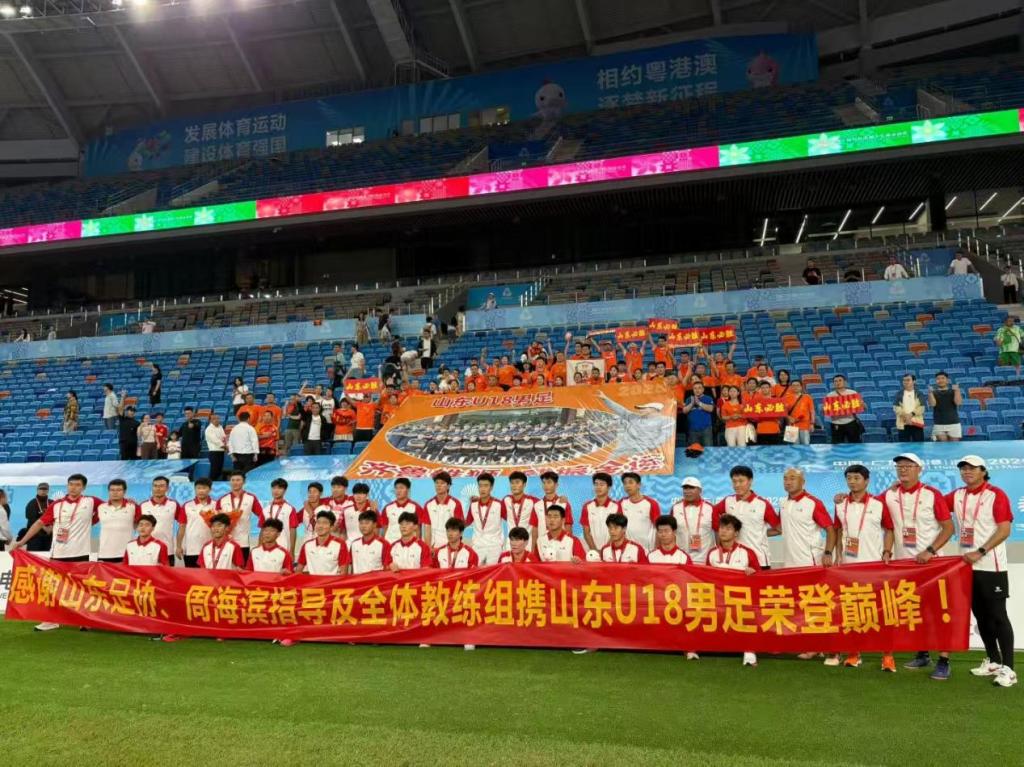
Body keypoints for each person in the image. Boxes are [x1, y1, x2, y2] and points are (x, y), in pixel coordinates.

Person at [881, 452, 955, 679]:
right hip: (904, 565)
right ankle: (923, 654)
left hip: (932, 565)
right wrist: (842, 497)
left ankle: (944, 661)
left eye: (909, 466)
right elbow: (865, 503)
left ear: (919, 469)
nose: (903, 469)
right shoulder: (889, 495)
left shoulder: (932, 494)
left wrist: (930, 551)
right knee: (916, 612)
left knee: (939, 614)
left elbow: (948, 528)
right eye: (900, 466)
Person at [946, 455, 1016, 687]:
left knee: (998, 616)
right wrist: (899, 486)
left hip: (991, 566)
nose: (967, 472)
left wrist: (981, 551)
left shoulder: (995, 494)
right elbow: (932, 504)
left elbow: (1004, 530)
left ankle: (1009, 669)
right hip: (967, 567)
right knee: (981, 616)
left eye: (972, 468)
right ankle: (993, 661)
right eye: (963, 468)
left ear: (983, 471)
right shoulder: (957, 495)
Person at [9, 474, 102, 631]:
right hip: (58, 553)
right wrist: (21, 542)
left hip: (80, 553)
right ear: (67, 485)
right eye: (71, 484)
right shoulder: (56, 504)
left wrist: (91, 522)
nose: (73, 488)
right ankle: (51, 620)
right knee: (54, 588)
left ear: (84, 487)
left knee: (81, 588)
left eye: (77, 485)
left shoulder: (91, 501)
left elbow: (108, 510)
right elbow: (39, 523)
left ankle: (84, 620)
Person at [834, 464, 896, 671]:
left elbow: (889, 529)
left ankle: (887, 655)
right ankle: (854, 653)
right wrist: (837, 555)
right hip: (849, 567)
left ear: (867, 481)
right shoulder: (840, 504)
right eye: (849, 478)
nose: (852, 482)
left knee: (881, 613)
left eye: (857, 478)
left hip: (874, 566)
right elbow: (837, 530)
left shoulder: (878, 504)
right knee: (852, 611)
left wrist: (887, 552)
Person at [707, 514, 762, 666]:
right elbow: (705, 578)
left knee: (748, 616)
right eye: (721, 528)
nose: (723, 531)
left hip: (741, 601)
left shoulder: (747, 552)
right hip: (718, 599)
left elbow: (760, 579)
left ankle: (749, 651)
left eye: (728, 528)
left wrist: (752, 573)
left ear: (736, 533)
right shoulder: (711, 553)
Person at [712, 465, 780, 569]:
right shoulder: (728, 501)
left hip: (759, 559)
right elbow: (712, 512)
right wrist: (721, 532)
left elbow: (779, 529)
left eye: (741, 481)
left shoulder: (762, 504)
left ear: (750, 481)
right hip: (735, 560)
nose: (737, 485)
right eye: (734, 481)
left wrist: (760, 533)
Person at [779, 467, 835, 569]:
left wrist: (828, 553)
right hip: (789, 562)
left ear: (803, 482)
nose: (788, 482)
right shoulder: (782, 502)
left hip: (810, 561)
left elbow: (830, 530)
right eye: (785, 479)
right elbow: (779, 528)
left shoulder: (813, 503)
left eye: (792, 478)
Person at [216, 470, 262, 562]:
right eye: (233, 480)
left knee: (242, 568)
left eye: (238, 480)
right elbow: (216, 521)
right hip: (225, 541)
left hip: (243, 542)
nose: (235, 482)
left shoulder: (251, 498)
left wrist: (262, 537)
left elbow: (262, 516)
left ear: (244, 482)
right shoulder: (222, 499)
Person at [670, 476, 714, 564]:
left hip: (704, 559)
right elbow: (671, 532)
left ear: (700, 490)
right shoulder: (675, 508)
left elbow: (718, 531)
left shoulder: (710, 508)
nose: (687, 491)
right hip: (681, 559)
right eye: (685, 488)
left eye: (691, 488)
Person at [96, 479, 140, 563]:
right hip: (105, 554)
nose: (115, 493)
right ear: (108, 491)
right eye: (112, 490)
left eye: (119, 490)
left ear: (125, 491)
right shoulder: (101, 507)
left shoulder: (133, 506)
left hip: (127, 553)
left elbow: (140, 526)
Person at [140, 475, 181, 566]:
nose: (158, 489)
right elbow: (137, 525)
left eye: (161, 486)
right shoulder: (143, 505)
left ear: (167, 488)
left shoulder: (174, 504)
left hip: (168, 550)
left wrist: (179, 546)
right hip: (147, 550)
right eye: (155, 486)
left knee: (167, 575)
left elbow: (183, 524)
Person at [176, 477, 215, 567]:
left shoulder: (216, 505)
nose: (201, 491)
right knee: (191, 575)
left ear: (210, 490)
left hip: (210, 548)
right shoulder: (187, 506)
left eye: (204, 488)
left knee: (209, 575)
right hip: (191, 549)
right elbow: (182, 527)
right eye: (198, 488)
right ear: (195, 489)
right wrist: (178, 546)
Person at [296, 511, 350, 575]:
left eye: (324, 523)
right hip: (313, 581)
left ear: (331, 527)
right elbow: (298, 571)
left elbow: (343, 572)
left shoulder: (340, 544)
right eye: (318, 522)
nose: (320, 526)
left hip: (332, 581)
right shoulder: (307, 545)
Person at [467, 472, 504, 565]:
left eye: (486, 486)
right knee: (476, 572)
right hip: (477, 546)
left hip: (494, 546)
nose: (482, 489)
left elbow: (511, 519)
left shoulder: (499, 504)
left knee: (494, 572)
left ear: (491, 487)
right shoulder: (473, 505)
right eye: (480, 486)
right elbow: (466, 523)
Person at [619, 472, 661, 552]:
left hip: (647, 550)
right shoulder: (621, 503)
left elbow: (659, 528)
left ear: (639, 485)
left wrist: (657, 550)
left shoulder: (651, 504)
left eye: (630, 482)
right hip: (627, 550)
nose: (627, 486)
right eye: (625, 483)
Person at [380, 478, 429, 544]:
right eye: (396, 488)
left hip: (409, 545)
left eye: (401, 488)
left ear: (408, 490)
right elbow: (384, 529)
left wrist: (417, 544)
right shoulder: (387, 508)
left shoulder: (416, 507)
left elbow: (418, 530)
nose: (398, 491)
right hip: (390, 544)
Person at [259, 478, 300, 557]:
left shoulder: (290, 509)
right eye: (274, 488)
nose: (276, 491)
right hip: (266, 547)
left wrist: (292, 551)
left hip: (283, 546)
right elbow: (262, 529)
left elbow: (293, 530)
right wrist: (259, 545)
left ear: (285, 490)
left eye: (279, 488)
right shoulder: (265, 509)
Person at [580, 472, 619, 552]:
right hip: (592, 551)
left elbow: (617, 531)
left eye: (602, 484)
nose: (598, 487)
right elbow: (586, 532)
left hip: (612, 550)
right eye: (596, 484)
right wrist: (595, 550)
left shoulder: (616, 506)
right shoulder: (587, 506)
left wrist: (605, 550)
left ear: (609, 487)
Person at [425, 471, 464, 550]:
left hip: (450, 547)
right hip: (434, 548)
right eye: (437, 483)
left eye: (442, 483)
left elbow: (459, 529)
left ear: (448, 486)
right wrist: (428, 548)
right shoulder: (428, 504)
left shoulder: (455, 504)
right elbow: (427, 529)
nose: (438, 485)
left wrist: (455, 548)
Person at [826, 374, 861, 444]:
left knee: (855, 444)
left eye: (840, 380)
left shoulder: (853, 393)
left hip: (851, 422)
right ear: (833, 383)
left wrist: (861, 403)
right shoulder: (829, 396)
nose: (838, 382)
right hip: (836, 423)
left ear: (844, 382)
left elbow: (864, 407)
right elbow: (826, 411)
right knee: (836, 445)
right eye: (835, 381)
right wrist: (825, 408)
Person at [928, 372, 962, 441]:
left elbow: (958, 403)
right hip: (939, 424)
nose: (940, 380)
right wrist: (930, 393)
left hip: (954, 423)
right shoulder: (933, 392)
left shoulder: (953, 391)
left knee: (955, 445)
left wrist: (957, 391)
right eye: (938, 379)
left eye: (943, 378)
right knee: (942, 445)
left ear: (947, 380)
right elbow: (932, 404)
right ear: (936, 381)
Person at [893, 373, 926, 442]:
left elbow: (921, 408)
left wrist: (911, 415)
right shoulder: (899, 394)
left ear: (914, 381)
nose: (905, 382)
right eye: (904, 380)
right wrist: (906, 416)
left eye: (908, 380)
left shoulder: (919, 394)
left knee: (919, 445)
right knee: (904, 446)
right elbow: (896, 408)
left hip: (917, 424)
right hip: (903, 423)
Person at [782, 380, 814, 445]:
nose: (795, 387)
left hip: (805, 425)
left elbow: (812, 411)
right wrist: (788, 417)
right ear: (791, 387)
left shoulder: (807, 397)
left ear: (801, 387)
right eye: (793, 385)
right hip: (791, 425)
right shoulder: (786, 398)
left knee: (805, 444)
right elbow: (783, 411)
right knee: (793, 446)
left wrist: (812, 423)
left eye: (797, 385)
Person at [682, 381, 714, 446]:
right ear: (693, 390)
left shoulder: (708, 398)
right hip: (693, 430)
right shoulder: (689, 399)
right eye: (695, 388)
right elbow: (684, 411)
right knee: (694, 450)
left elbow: (711, 409)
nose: (697, 390)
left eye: (699, 388)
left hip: (706, 429)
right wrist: (692, 404)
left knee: (708, 449)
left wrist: (699, 403)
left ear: (703, 389)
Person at [22, 482, 51, 552]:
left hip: (49, 536)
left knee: (47, 557)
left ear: (48, 491)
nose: (43, 491)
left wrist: (51, 527)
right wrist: (44, 527)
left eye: (45, 489)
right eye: (41, 489)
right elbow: (31, 519)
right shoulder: (31, 503)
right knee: (33, 556)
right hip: (35, 536)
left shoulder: (52, 502)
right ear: (37, 490)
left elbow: (56, 517)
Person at [203, 412, 226, 479]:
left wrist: (226, 445)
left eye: (217, 418)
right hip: (214, 452)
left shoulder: (220, 427)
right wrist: (226, 447)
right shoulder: (209, 429)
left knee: (219, 470)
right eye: (214, 419)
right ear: (210, 420)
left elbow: (224, 437)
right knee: (214, 470)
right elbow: (216, 440)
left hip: (221, 451)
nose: (216, 420)